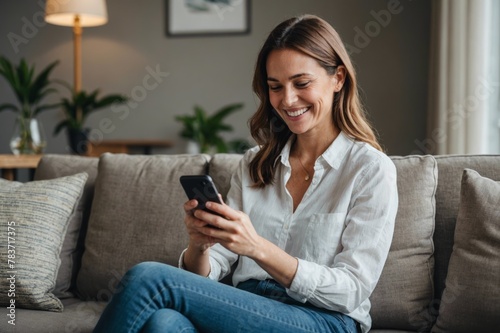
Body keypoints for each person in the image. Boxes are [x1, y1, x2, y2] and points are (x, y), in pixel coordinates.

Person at [93, 14, 398, 333]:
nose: (288, 100)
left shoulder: (371, 170)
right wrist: (200, 246)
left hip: (323, 319)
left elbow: (351, 290)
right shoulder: (254, 163)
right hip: (248, 306)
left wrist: (257, 247)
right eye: (275, 87)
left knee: (147, 278)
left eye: (302, 83)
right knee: (163, 323)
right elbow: (210, 273)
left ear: (337, 78)